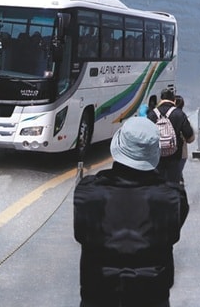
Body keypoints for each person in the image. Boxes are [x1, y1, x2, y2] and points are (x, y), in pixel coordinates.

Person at [74, 117, 189, 306]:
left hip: (99, 295)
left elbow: (81, 234)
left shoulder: (87, 191)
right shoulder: (173, 196)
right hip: (151, 296)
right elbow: (171, 232)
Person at [151, 86, 194, 186]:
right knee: (173, 185)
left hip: (157, 157)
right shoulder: (179, 114)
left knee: (158, 184)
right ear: (173, 100)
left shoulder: (152, 114)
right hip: (175, 157)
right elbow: (189, 136)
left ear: (161, 99)